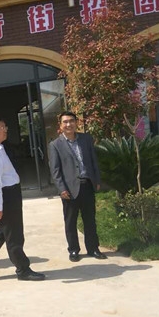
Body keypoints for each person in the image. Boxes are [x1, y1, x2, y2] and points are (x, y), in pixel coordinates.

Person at [0, 116, 45, 281]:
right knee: (14, 236)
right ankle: (23, 269)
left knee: (4, 232)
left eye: (5, 127)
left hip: (10, 194)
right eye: (2, 127)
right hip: (5, 196)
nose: (5, 130)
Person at [48, 111, 108, 262]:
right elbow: (55, 170)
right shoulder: (55, 145)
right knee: (70, 222)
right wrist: (61, 189)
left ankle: (93, 249)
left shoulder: (86, 139)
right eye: (65, 122)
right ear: (60, 125)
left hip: (87, 185)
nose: (69, 124)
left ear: (76, 123)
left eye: (71, 121)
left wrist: (97, 180)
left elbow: (93, 161)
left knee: (90, 220)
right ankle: (74, 250)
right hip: (69, 189)